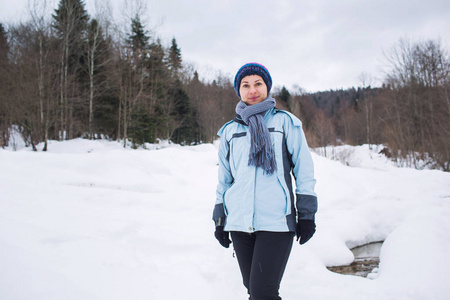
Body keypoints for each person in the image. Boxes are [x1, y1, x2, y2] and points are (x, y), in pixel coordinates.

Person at [212, 62, 318, 300]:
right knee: (253, 289)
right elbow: (225, 179)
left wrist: (307, 214)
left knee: (263, 292)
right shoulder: (229, 131)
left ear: (267, 87)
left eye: (258, 84)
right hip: (239, 222)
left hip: (276, 221)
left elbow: (304, 170)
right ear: (238, 90)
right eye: (246, 85)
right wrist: (220, 219)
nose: (252, 90)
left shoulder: (285, 122)